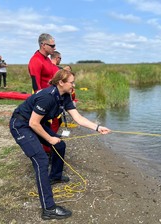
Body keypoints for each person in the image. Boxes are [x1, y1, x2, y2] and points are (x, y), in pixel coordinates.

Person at [9, 69, 111, 220]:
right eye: (71, 82)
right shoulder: (47, 97)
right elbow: (33, 123)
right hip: (22, 125)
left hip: (35, 123)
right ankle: (49, 209)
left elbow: (78, 117)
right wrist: (50, 139)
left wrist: (97, 127)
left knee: (60, 145)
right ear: (61, 82)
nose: (74, 85)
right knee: (41, 160)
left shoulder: (65, 96)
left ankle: (55, 176)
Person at [28, 33, 60, 154]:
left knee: (55, 124)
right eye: (52, 45)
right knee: (44, 126)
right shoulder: (35, 60)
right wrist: (44, 104)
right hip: (43, 101)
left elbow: (54, 73)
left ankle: (50, 150)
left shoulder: (47, 59)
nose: (54, 48)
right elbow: (36, 86)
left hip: (51, 99)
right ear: (43, 45)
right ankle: (45, 153)